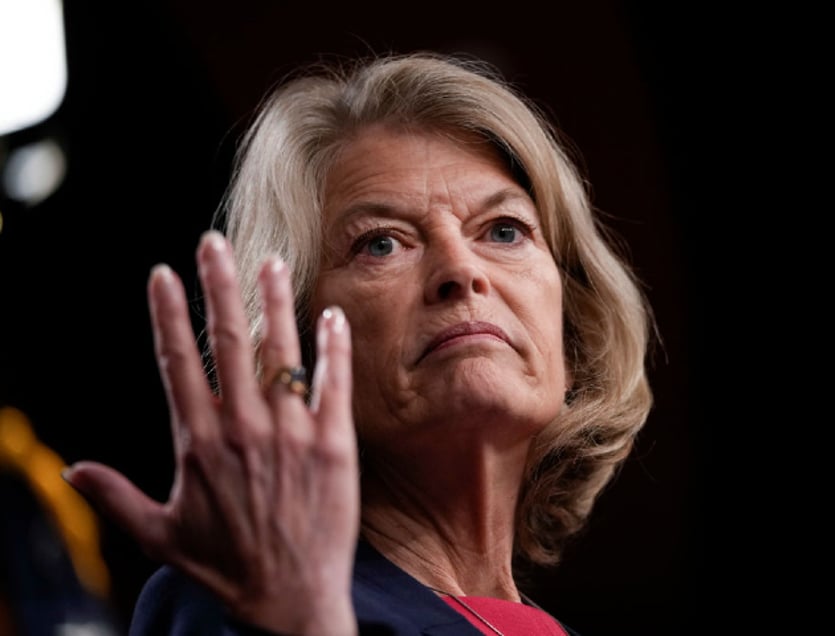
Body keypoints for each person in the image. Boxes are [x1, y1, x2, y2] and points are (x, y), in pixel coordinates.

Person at [62, 50, 655, 636]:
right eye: (380, 244)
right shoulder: (242, 597)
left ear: (572, 335)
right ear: (297, 348)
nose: (461, 270)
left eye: (504, 231)